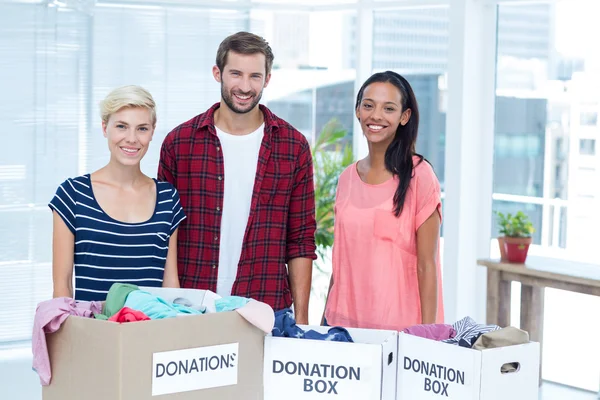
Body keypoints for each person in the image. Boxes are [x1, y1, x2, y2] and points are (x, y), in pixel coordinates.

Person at [157, 32, 316, 324]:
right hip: (192, 308)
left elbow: (301, 240)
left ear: (267, 79)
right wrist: (170, 304)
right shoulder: (179, 144)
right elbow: (165, 231)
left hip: (266, 308)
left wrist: (302, 322)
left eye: (255, 76)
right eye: (235, 74)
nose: (245, 86)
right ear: (218, 73)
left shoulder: (293, 147)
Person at [323, 71, 444, 331]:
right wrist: (325, 321)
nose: (376, 116)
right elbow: (342, 259)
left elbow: (427, 265)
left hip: (399, 332)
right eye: (368, 106)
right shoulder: (346, 179)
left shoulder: (420, 176)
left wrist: (427, 336)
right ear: (358, 111)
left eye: (388, 108)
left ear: (404, 116)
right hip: (342, 326)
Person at [49, 85, 186, 301]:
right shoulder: (73, 194)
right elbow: (62, 287)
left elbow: (170, 284)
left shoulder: (167, 198)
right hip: (92, 331)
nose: (132, 139)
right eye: (121, 126)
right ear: (105, 128)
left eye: (142, 128)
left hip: (151, 331)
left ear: (152, 131)